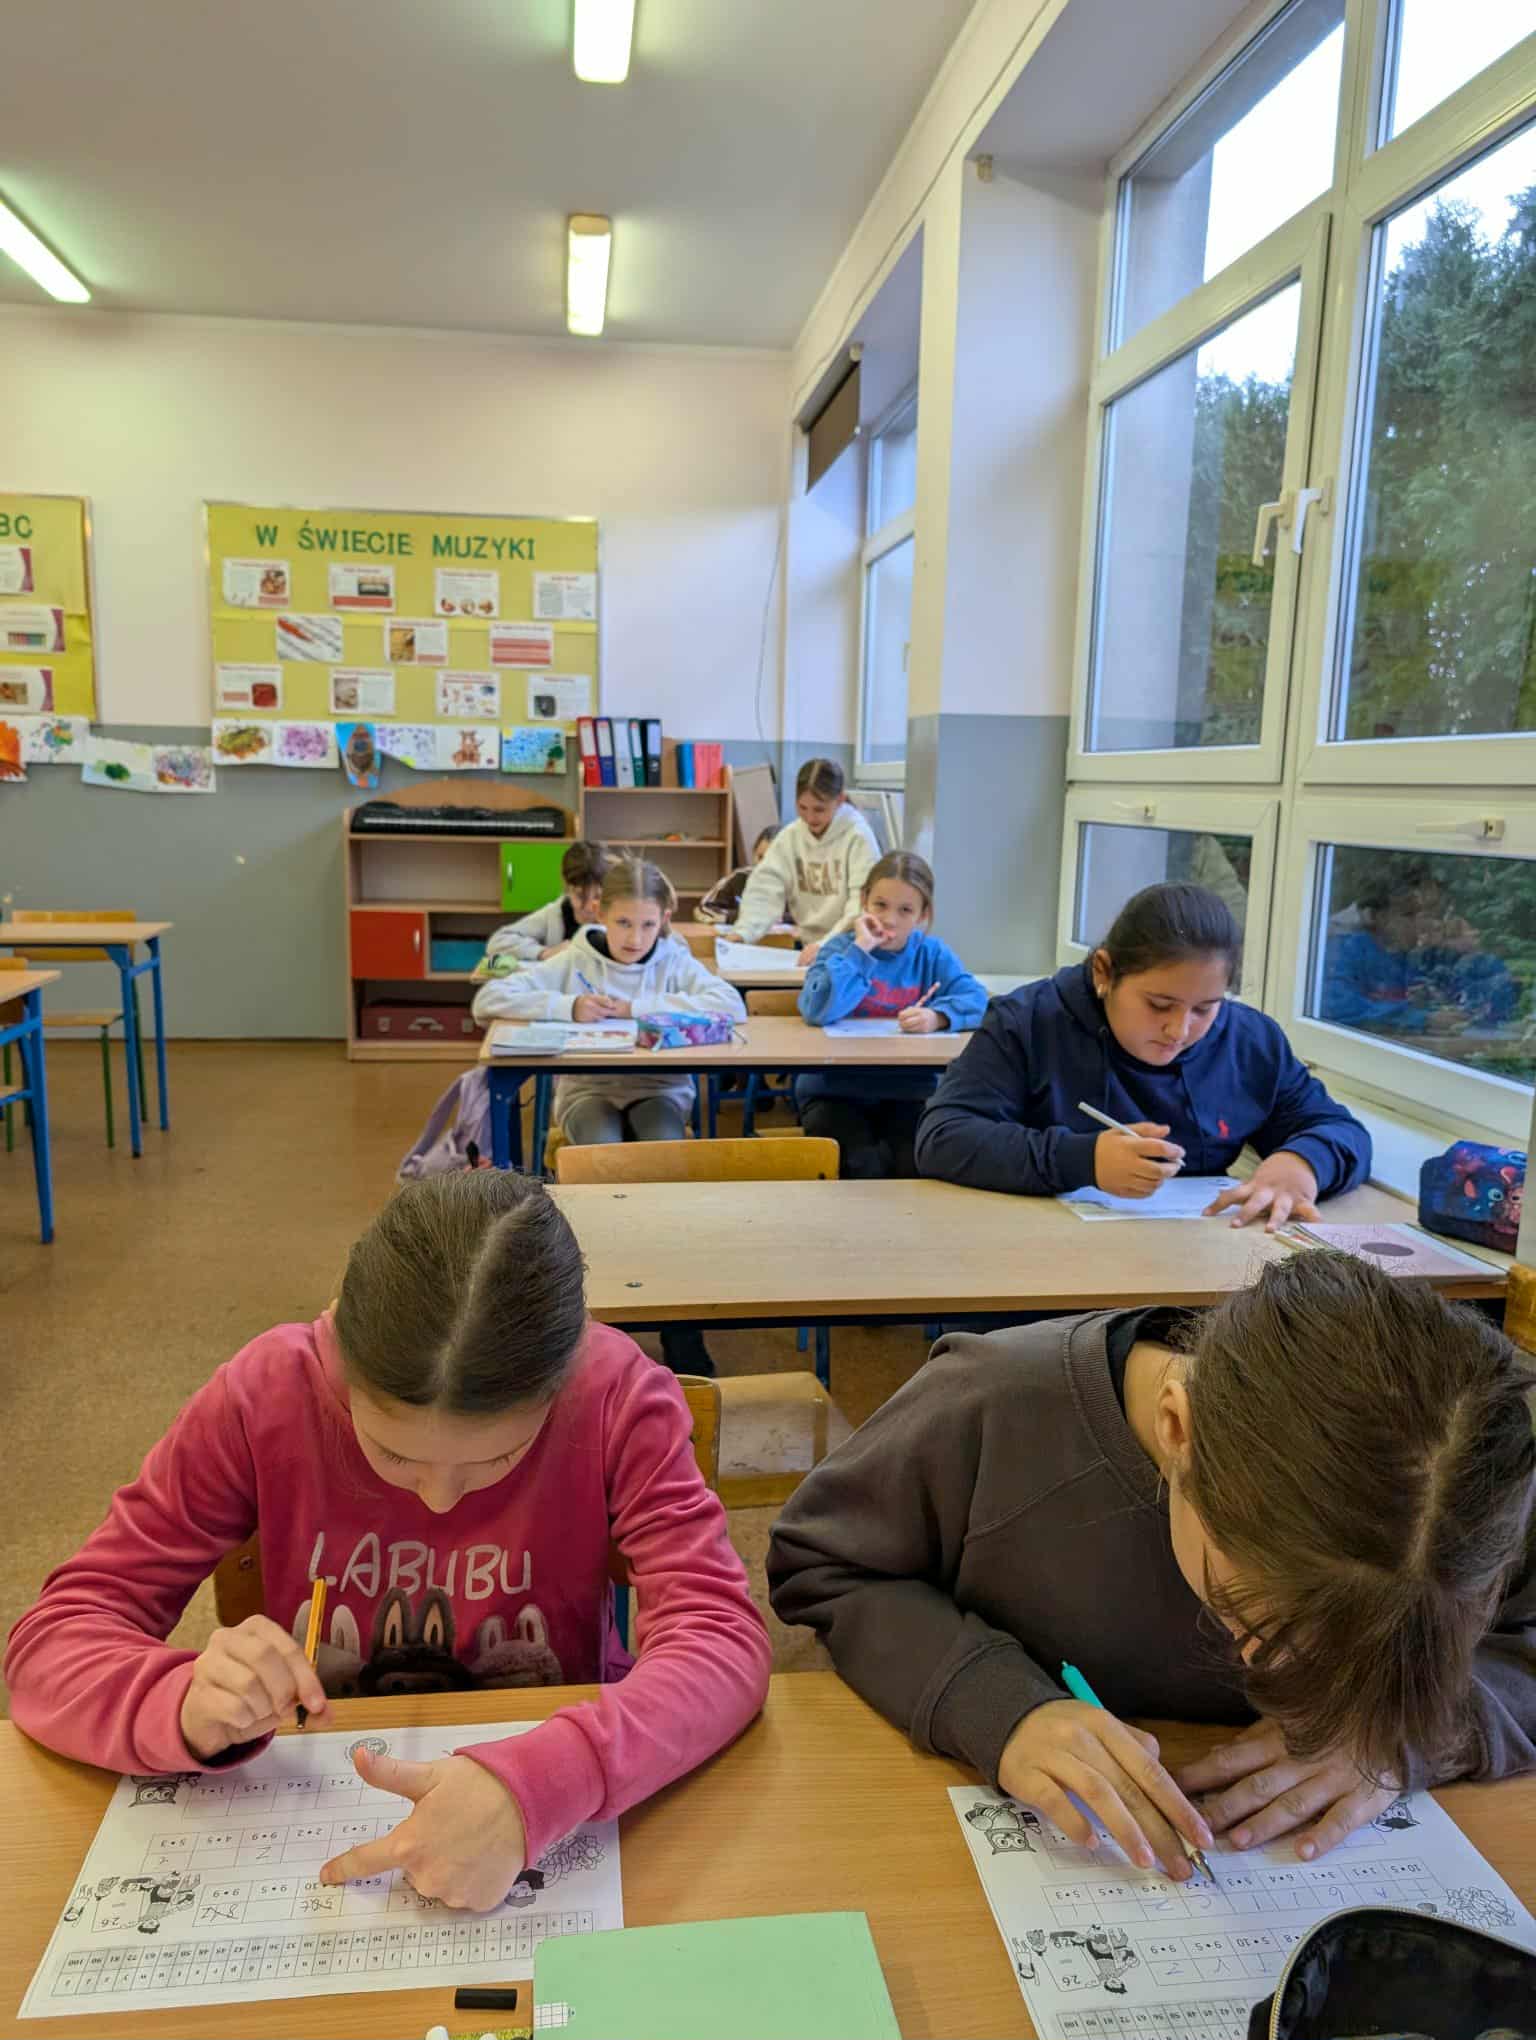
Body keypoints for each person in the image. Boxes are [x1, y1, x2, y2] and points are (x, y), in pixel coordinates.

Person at [6, 1173, 772, 1912]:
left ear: (565, 1372)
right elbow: (53, 1643)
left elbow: (720, 1639)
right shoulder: (263, 1396)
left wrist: (549, 1779)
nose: (437, 1498)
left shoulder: (613, 1396)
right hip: (313, 1799)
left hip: (550, 1793)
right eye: (393, 1453)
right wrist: (176, 1702)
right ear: (339, 1348)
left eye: (497, 1459)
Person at [769, 1251, 1536, 1874]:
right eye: (1250, 1617)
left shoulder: (1470, 1483)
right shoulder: (992, 1404)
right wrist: (996, 1703)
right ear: (1177, 1430)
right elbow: (821, 1563)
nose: (1291, 1677)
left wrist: (1403, 1736)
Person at [915, 882, 1370, 1231]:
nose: (1180, 1030)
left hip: (1190, 1265)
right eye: (1159, 1005)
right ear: (1104, 973)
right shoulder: (1028, 1021)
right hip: (1040, 1259)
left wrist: (1302, 1163)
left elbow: (1339, 1129)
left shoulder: (1250, 1041)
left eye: (1204, 1009)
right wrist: (1083, 1160)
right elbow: (943, 1137)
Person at [472, 858, 745, 1372]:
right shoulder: (575, 957)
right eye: (622, 923)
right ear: (599, 913)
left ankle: (680, 1327)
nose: (634, 938)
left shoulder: (675, 959)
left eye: (646, 924)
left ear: (664, 919)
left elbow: (732, 1006)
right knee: (602, 1170)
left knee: (662, 1176)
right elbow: (489, 998)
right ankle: (598, 1326)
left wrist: (639, 1008)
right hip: (590, 1091)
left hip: (659, 1091)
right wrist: (568, 1007)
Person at [796, 851, 987, 1179]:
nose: (890, 919)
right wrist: (860, 951)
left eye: (905, 910)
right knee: (861, 1165)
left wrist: (938, 1016)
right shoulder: (839, 949)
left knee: (912, 1164)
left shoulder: (931, 954)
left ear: (923, 914)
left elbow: (978, 1000)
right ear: (864, 901)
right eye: (880, 905)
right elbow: (817, 1009)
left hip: (909, 1090)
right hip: (834, 1090)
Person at [733, 759, 879, 963]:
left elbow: (860, 905)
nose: (810, 818)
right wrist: (743, 932)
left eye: (819, 809)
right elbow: (765, 888)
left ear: (840, 800)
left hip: (847, 947)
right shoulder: (791, 836)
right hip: (808, 946)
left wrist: (825, 945)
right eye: (802, 807)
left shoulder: (858, 837)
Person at [485, 839, 610, 964]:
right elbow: (497, 941)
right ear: (566, 888)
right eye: (580, 896)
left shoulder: (614, 915)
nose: (589, 907)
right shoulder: (554, 914)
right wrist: (544, 952)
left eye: (597, 896)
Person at [697, 825, 782, 925]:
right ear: (753, 853)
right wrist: (736, 916)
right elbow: (704, 909)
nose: (763, 865)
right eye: (760, 857)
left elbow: (797, 915)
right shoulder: (739, 877)